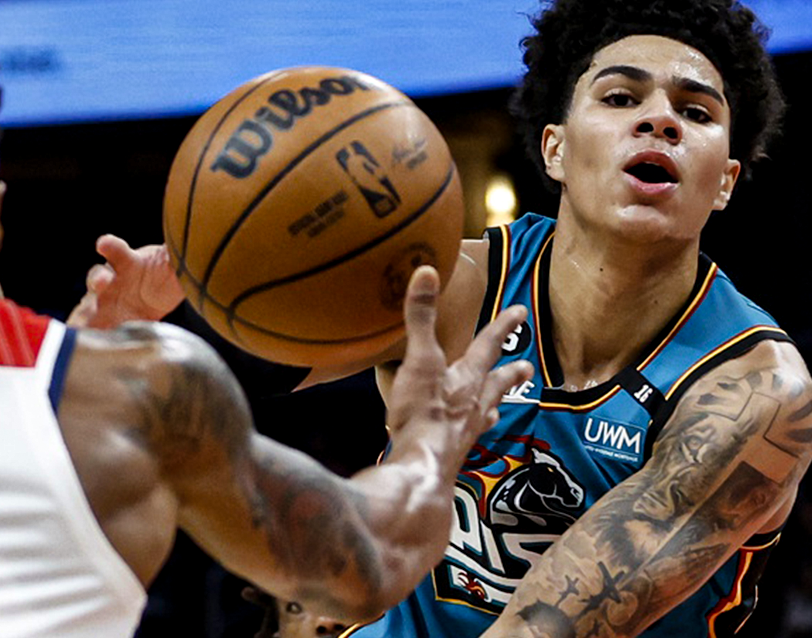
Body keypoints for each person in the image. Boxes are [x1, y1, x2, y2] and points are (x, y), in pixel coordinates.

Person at [76, 0, 812, 637]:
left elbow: (547, 629)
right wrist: (134, 346)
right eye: (622, 95)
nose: (659, 118)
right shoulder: (457, 287)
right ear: (555, 149)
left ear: (724, 180)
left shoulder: (753, 392)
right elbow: (242, 383)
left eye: (696, 113)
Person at [0, 183, 534, 636]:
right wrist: (430, 436)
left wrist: (88, 362)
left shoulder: (91, 393)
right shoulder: (127, 391)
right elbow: (374, 556)